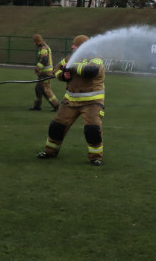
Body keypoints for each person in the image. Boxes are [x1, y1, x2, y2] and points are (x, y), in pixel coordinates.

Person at [37, 35, 105, 166]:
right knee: (57, 126)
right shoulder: (70, 58)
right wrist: (63, 75)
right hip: (70, 101)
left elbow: (91, 71)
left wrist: (71, 67)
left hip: (92, 103)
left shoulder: (96, 59)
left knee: (92, 129)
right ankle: (50, 151)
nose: (72, 47)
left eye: (75, 45)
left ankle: (96, 157)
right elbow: (56, 69)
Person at [29, 34, 60, 112]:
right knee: (38, 89)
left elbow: (44, 59)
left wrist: (38, 68)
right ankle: (37, 106)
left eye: (34, 42)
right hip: (43, 73)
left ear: (37, 41)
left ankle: (56, 105)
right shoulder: (42, 47)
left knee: (46, 89)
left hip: (46, 74)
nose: (34, 43)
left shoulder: (43, 48)